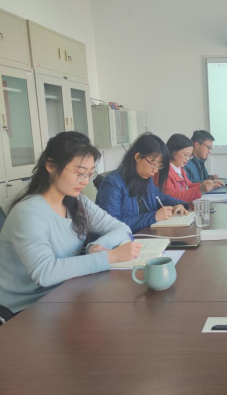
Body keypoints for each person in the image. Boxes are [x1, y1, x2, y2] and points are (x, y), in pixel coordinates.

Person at [0, 132, 141, 314]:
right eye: (80, 173)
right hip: (24, 309)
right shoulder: (28, 212)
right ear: (51, 166)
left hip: (65, 293)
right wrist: (110, 257)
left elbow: (121, 228)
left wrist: (96, 246)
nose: (85, 181)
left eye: (89, 174)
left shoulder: (78, 202)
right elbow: (45, 272)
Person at [96, 132, 188, 233]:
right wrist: (153, 217)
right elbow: (112, 225)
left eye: (159, 166)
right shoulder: (112, 183)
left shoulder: (146, 179)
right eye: (153, 164)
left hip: (148, 236)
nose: (156, 170)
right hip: (125, 240)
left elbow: (161, 197)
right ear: (138, 157)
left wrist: (178, 205)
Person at [155, 133, 216, 202]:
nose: (187, 159)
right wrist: (200, 189)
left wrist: (206, 185)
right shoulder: (164, 172)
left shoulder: (180, 169)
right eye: (185, 155)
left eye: (190, 156)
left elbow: (188, 186)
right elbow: (171, 198)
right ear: (173, 152)